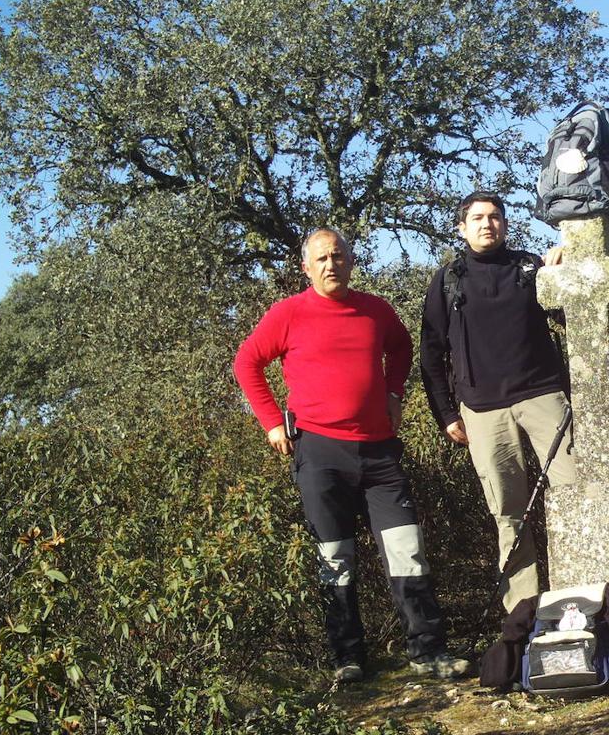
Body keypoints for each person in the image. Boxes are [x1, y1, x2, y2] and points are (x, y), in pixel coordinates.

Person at [234, 227, 469, 683]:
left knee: (407, 552)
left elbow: (401, 348)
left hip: (379, 453)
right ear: (306, 267)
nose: (330, 264)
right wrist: (269, 422)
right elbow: (247, 363)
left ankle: (428, 651)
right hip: (319, 451)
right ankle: (349, 659)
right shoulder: (288, 314)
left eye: (337, 256)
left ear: (350, 261)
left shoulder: (375, 310)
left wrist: (395, 391)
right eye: (321, 258)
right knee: (334, 556)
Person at [419, 192, 576, 613]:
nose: (487, 224)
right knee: (508, 513)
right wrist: (446, 413)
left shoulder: (529, 268)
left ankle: (583, 599)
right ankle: (525, 616)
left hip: (542, 396)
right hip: (483, 409)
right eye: (477, 218)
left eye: (495, 217)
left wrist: (562, 273)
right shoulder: (447, 280)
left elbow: (567, 313)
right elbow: (431, 352)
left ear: (505, 224)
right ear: (462, 227)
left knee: (573, 494)